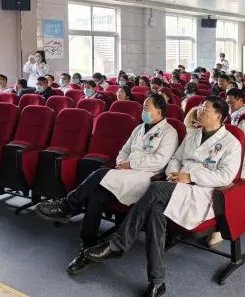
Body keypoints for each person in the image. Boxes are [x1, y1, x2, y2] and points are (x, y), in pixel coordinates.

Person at [82, 97, 241, 297]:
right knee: (155, 213)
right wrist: (173, 174)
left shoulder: (231, 143)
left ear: (220, 116)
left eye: (206, 109)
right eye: (200, 107)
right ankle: (157, 282)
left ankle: (119, 243)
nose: (200, 110)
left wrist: (190, 177)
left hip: (202, 194)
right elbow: (175, 158)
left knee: (156, 188)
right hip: (177, 186)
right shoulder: (193, 135)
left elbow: (226, 176)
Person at [35, 94, 179, 276]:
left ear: (159, 110)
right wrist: (121, 163)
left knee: (100, 173)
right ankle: (87, 246)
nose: (143, 111)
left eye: (146, 107)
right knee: (96, 196)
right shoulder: (139, 128)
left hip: (145, 177)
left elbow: (159, 161)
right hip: (125, 173)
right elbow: (124, 150)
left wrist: (130, 165)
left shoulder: (169, 133)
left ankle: (67, 205)